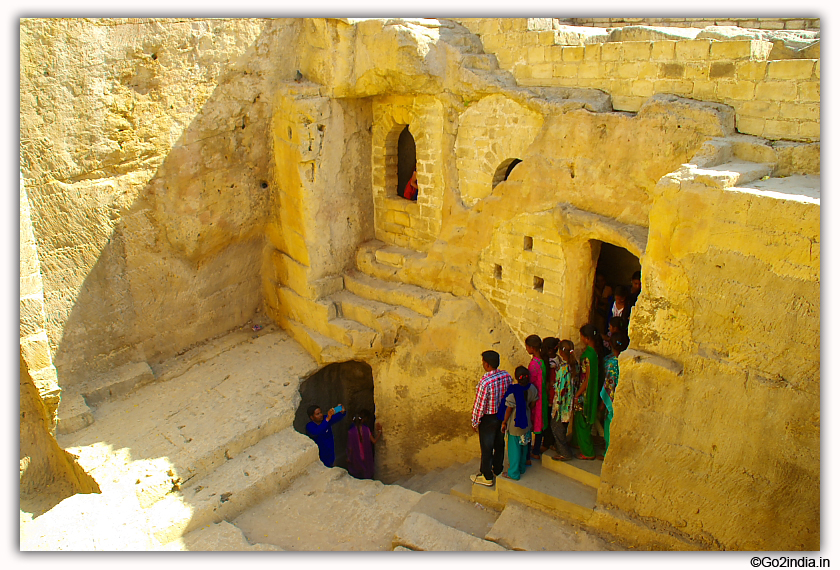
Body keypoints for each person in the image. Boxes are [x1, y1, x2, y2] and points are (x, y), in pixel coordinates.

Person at [470, 350, 513, 487]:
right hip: (502, 415)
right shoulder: (506, 376)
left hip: (488, 418)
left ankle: (487, 476)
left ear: (487, 364)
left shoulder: (485, 382)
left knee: (487, 447)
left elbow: (480, 405)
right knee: (499, 444)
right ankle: (498, 469)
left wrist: (475, 422)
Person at [500, 366, 538, 480]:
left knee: (514, 449)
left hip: (515, 425)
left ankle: (513, 473)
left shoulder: (513, 392)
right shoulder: (532, 388)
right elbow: (533, 403)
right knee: (524, 445)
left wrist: (504, 422)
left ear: (516, 378)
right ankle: (522, 467)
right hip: (526, 422)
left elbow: (509, 409)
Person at [572, 324, 600, 460]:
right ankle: (581, 445)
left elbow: (587, 379)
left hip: (585, 393)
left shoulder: (588, 357)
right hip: (588, 391)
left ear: (586, 338)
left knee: (582, 421)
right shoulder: (594, 353)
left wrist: (577, 394)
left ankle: (588, 452)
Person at [549, 339, 577, 461]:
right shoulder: (574, 364)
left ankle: (565, 452)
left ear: (561, 352)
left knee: (556, 427)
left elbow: (560, 388)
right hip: (569, 402)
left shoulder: (563, 369)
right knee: (563, 426)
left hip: (562, 403)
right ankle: (560, 447)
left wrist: (552, 385)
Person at [600, 334, 627, 456]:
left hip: (612, 400)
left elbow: (608, 385)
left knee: (609, 428)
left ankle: (608, 455)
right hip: (623, 398)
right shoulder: (626, 361)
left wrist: (603, 403)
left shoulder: (609, 363)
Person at [525, 335, 550, 462]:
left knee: (531, 425)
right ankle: (536, 450)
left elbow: (532, 384)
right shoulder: (542, 362)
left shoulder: (533, 365)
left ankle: (531, 452)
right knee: (539, 426)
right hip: (542, 397)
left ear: (532, 348)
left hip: (535, 399)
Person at [346, 412, 382, 480]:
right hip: (366, 456)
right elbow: (374, 441)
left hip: (356, 457)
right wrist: (380, 432)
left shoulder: (351, 432)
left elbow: (350, 447)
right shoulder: (366, 429)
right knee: (366, 475)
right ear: (362, 420)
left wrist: (349, 457)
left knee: (358, 477)